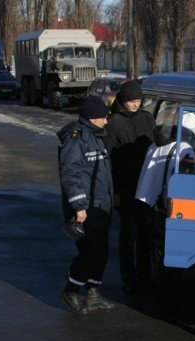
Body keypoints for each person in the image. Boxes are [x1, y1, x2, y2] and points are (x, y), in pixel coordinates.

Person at [57, 97, 115, 314]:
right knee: (90, 252)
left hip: (101, 204)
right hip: (87, 208)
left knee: (102, 251)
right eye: (103, 117)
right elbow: (70, 175)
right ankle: (70, 292)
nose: (106, 122)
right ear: (92, 118)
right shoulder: (76, 138)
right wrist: (79, 207)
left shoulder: (96, 136)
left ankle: (93, 293)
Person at [135, 112, 195, 277]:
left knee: (145, 244)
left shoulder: (156, 144)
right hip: (166, 207)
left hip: (145, 201)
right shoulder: (186, 150)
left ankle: (144, 279)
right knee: (166, 251)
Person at [104, 80, 155, 293]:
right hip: (125, 186)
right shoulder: (114, 122)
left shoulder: (147, 118)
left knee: (146, 232)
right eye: (132, 101)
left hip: (147, 184)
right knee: (128, 233)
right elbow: (108, 159)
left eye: (138, 100)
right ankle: (128, 276)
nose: (135, 104)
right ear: (123, 101)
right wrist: (114, 190)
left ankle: (145, 274)